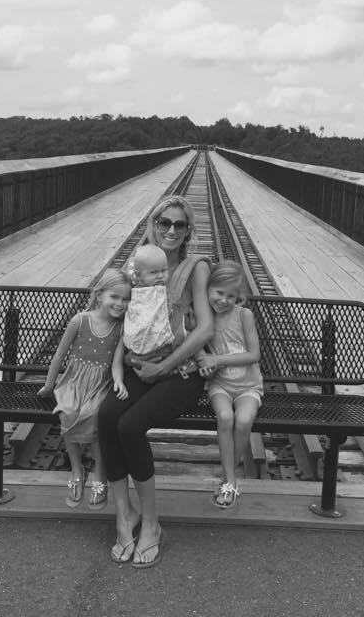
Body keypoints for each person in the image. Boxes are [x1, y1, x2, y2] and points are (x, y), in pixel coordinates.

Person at [98, 195, 213, 568]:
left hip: (182, 371)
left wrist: (164, 368)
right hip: (142, 366)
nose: (171, 230)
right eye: (165, 222)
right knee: (107, 417)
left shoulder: (195, 268)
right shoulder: (138, 265)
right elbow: (119, 315)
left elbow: (205, 329)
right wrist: (123, 362)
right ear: (154, 224)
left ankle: (151, 523)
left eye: (180, 224)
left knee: (130, 426)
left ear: (188, 230)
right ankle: (124, 515)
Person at [38, 269, 130, 510]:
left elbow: (117, 362)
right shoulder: (80, 320)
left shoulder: (122, 328)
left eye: (126, 299)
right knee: (67, 412)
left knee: (96, 415)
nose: (120, 304)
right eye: (115, 297)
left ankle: (100, 473)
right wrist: (49, 385)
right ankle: (77, 469)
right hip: (74, 381)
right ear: (99, 295)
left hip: (101, 383)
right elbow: (59, 355)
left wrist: (119, 381)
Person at [195, 261, 263, 509]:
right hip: (220, 385)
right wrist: (203, 361)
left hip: (248, 387)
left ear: (238, 297)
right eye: (219, 292)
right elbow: (195, 345)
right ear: (208, 289)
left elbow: (254, 355)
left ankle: (228, 476)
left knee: (244, 420)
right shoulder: (204, 317)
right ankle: (231, 481)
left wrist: (217, 360)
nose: (223, 300)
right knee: (225, 417)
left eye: (231, 296)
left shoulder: (243, 315)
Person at [123, 244, 174, 358]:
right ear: (138, 275)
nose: (160, 276)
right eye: (154, 272)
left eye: (164, 270)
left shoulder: (160, 289)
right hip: (142, 339)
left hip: (160, 342)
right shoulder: (138, 293)